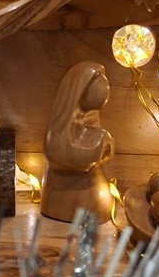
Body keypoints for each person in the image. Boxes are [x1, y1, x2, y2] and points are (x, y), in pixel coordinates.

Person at [41, 61, 114, 223]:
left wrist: (104, 146)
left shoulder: (90, 112)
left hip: (91, 185)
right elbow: (56, 153)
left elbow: (93, 138)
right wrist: (95, 147)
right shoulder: (65, 116)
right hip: (62, 188)